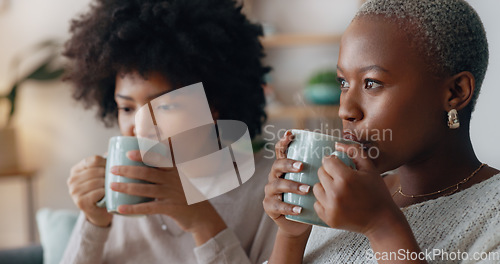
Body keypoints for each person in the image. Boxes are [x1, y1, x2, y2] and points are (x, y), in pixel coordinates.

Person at [263, 0, 500, 263]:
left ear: (455, 93)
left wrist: (381, 226)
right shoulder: (344, 193)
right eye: (343, 82)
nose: (345, 110)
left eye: (372, 83)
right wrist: (292, 235)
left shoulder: (493, 213)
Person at [60, 0, 277, 263]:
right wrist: (94, 223)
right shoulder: (115, 190)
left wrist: (202, 223)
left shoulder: (270, 190)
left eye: (166, 106)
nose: (141, 126)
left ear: (214, 105)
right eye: (127, 108)